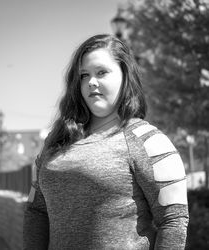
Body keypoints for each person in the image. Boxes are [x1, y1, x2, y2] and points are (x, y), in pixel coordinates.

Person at [23, 34, 189, 250]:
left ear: (125, 76)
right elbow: (36, 211)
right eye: (84, 75)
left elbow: (173, 221)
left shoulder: (149, 142)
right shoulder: (56, 141)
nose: (91, 82)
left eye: (101, 72)